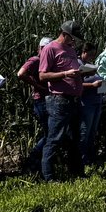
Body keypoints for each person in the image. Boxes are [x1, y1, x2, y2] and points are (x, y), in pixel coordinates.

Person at [38, 21, 86, 181]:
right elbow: (42, 75)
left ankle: (76, 172)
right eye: (72, 38)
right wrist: (65, 74)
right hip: (59, 100)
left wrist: (82, 73)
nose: (74, 41)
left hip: (75, 99)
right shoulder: (50, 49)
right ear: (64, 34)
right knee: (54, 138)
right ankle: (49, 176)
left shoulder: (71, 50)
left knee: (75, 137)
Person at [16, 37, 53, 172]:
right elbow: (21, 74)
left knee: (49, 133)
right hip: (41, 100)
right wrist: (37, 85)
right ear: (40, 48)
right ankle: (32, 162)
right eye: (44, 48)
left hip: (48, 99)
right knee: (49, 134)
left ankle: (38, 164)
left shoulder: (47, 61)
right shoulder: (35, 60)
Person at [77, 43, 106, 168]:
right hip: (86, 102)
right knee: (85, 131)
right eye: (90, 54)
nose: (92, 57)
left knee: (92, 131)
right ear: (83, 52)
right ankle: (82, 159)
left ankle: (90, 156)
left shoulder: (90, 65)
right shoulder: (78, 64)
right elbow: (76, 84)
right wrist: (92, 85)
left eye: (93, 54)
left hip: (96, 100)